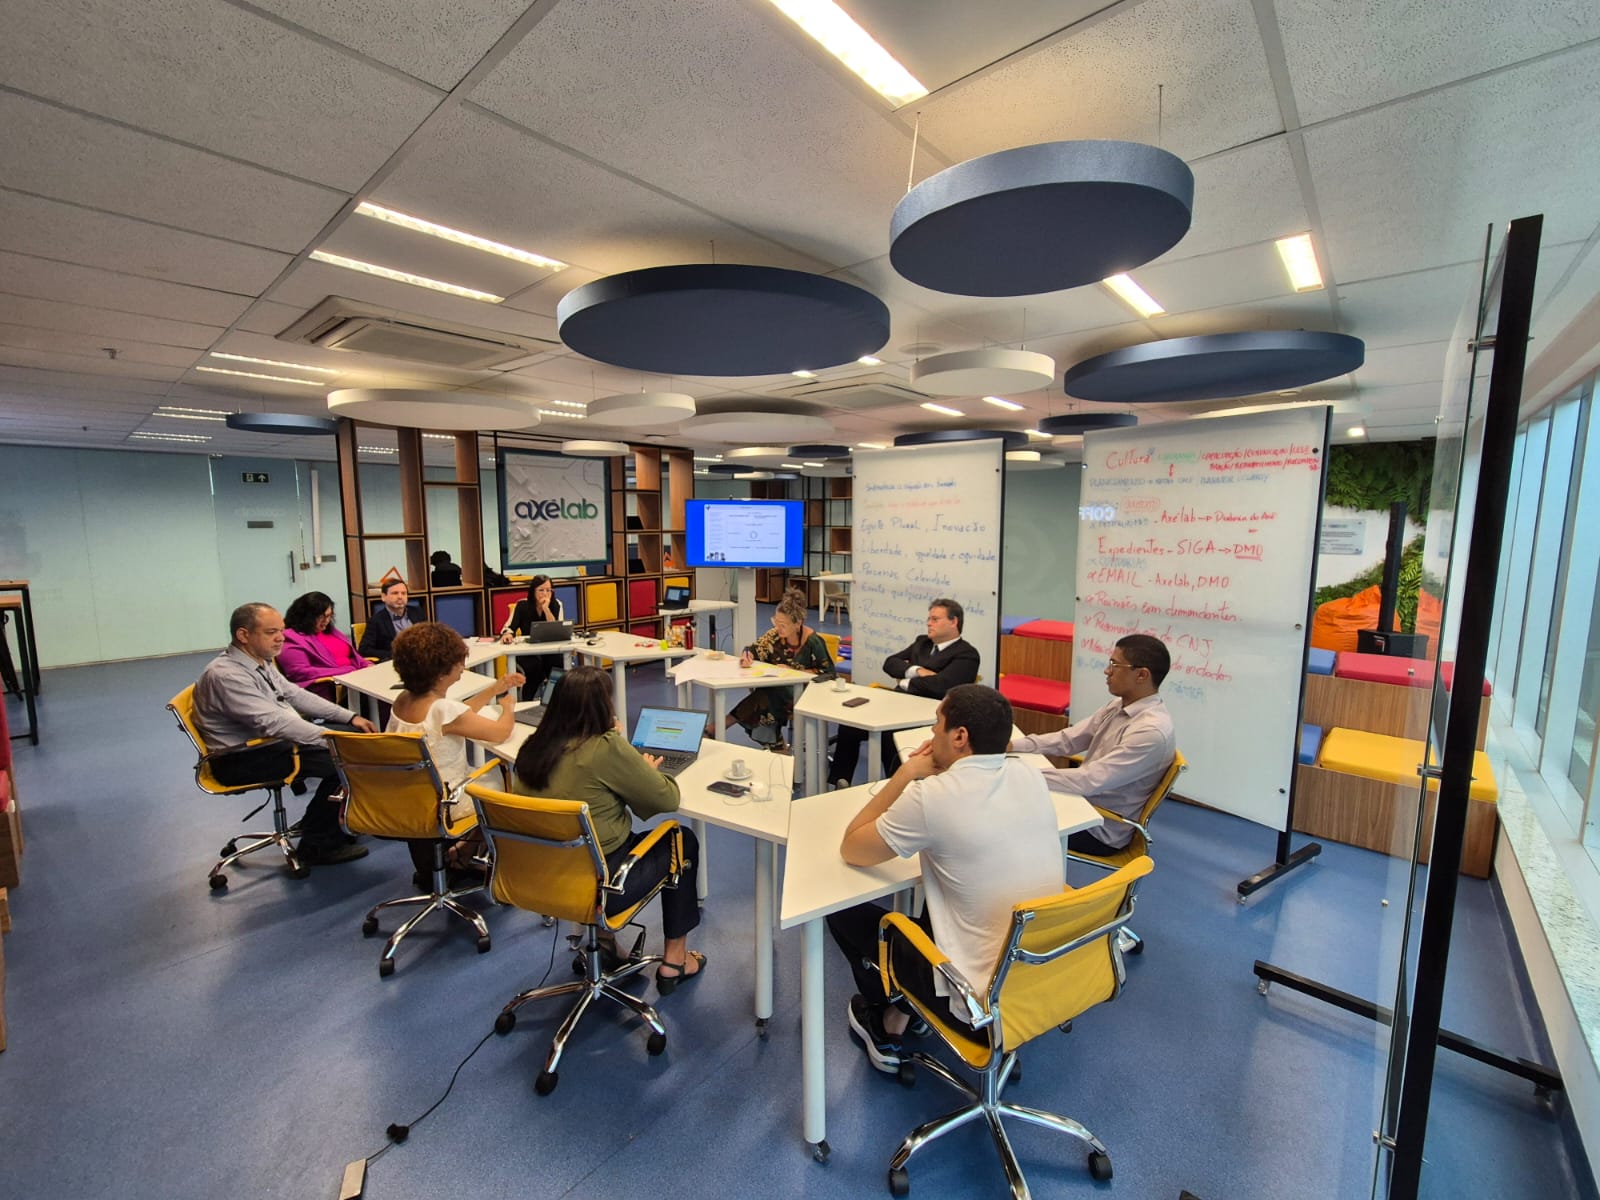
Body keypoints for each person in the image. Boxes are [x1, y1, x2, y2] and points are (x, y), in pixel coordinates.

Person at [826, 684, 1064, 1074]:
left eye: (937, 723)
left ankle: (886, 1021)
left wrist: (906, 773)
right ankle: (909, 1011)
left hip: (977, 1004)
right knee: (942, 903)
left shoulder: (933, 796)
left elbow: (852, 847)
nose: (932, 733)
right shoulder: (1030, 775)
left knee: (841, 911)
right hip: (1039, 979)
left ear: (959, 736)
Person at [511, 665, 706, 992]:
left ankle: (604, 944)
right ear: (604, 706)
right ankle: (675, 961)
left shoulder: (533, 748)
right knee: (681, 840)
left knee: (588, 846)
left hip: (540, 879)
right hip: (601, 888)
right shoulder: (605, 747)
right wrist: (643, 767)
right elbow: (667, 797)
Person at [192, 603, 377, 865]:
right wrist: (334, 740)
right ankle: (317, 847)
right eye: (271, 632)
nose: (281, 637)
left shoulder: (257, 661)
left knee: (351, 736)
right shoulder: (226, 675)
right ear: (243, 635)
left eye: (281, 630)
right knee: (346, 763)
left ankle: (319, 822)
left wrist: (349, 717)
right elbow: (274, 723)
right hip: (240, 758)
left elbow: (294, 694)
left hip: (265, 744)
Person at [1011, 632, 1176, 856]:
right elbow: (1069, 740)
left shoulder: (1150, 731)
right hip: (1081, 801)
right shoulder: (1118, 705)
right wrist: (1014, 746)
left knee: (1005, 815)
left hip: (1098, 826)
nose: (1107, 671)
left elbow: (1088, 781)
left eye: (1115, 665)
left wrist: (1021, 776)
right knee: (1007, 801)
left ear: (1141, 675)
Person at [388, 622, 523, 885]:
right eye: (458, 663)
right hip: (445, 801)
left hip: (408, 795)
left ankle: (442, 864)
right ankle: (466, 853)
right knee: (504, 781)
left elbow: (459, 714)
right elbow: (500, 732)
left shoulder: (403, 699)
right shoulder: (444, 711)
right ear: (441, 673)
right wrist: (508, 706)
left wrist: (493, 689)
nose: (462, 667)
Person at [828, 598, 980, 787]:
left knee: (888, 734)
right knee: (850, 725)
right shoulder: (922, 642)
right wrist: (918, 671)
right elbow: (890, 663)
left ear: (953, 622)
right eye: (929, 619)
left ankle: (896, 787)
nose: (929, 623)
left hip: (928, 715)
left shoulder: (967, 655)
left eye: (935, 619)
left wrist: (905, 680)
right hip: (896, 704)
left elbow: (940, 686)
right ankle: (839, 783)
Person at [727, 587, 833, 750]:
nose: (777, 627)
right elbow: (753, 649)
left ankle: (725, 725)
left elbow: (829, 674)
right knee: (767, 695)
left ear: (798, 623)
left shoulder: (814, 642)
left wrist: (793, 671)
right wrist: (746, 655)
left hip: (805, 692)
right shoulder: (774, 635)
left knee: (766, 696)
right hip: (779, 692)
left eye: (782, 624)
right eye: (775, 622)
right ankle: (775, 745)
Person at [277, 591, 368, 702]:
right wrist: (346, 671)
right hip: (328, 688)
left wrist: (366, 665)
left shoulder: (329, 630)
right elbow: (299, 672)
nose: (327, 621)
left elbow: (352, 654)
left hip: (352, 679)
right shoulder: (291, 638)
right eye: (321, 617)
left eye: (329, 615)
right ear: (306, 617)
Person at [497, 574, 565, 700]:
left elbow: (556, 628)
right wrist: (508, 634)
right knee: (534, 669)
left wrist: (546, 609)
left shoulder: (557, 604)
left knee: (559, 665)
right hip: (527, 652)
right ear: (533, 591)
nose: (545, 594)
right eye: (541, 590)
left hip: (549, 650)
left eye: (548, 590)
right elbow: (509, 628)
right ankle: (526, 702)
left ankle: (550, 701)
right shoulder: (522, 605)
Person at [358, 578, 413, 661]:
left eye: (403, 593)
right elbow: (364, 650)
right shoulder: (376, 621)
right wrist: (395, 655)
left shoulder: (417, 612)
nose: (400, 597)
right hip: (396, 661)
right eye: (395, 593)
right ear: (384, 597)